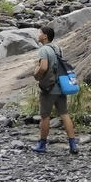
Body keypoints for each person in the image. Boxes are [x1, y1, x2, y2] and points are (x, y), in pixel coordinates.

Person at [32, 25, 78, 154]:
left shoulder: (43, 50)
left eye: (40, 33)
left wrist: (36, 74)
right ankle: (73, 144)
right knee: (64, 114)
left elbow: (44, 67)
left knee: (45, 116)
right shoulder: (58, 48)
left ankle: (42, 144)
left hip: (49, 88)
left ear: (45, 36)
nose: (38, 35)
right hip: (61, 86)